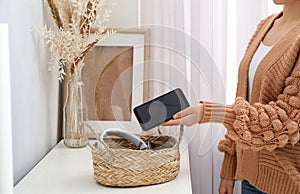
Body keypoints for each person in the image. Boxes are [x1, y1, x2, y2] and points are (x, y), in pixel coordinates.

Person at [164, 0, 300, 193]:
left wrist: (209, 112)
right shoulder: (266, 25)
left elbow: (285, 119)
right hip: (249, 177)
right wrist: (229, 167)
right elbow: (243, 101)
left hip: (285, 183)